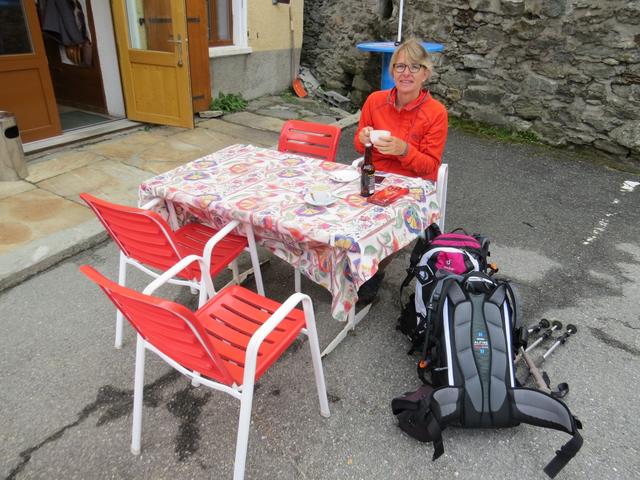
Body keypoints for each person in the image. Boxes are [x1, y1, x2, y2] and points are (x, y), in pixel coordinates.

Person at [353, 38, 448, 306]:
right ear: (392, 71)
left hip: (412, 185)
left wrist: (404, 150)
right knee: (342, 213)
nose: (406, 73)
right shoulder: (375, 100)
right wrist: (363, 137)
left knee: (387, 225)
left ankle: (374, 272)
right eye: (400, 66)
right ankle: (351, 265)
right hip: (375, 176)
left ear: (425, 74)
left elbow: (430, 167)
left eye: (415, 67)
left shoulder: (436, 113)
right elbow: (359, 145)